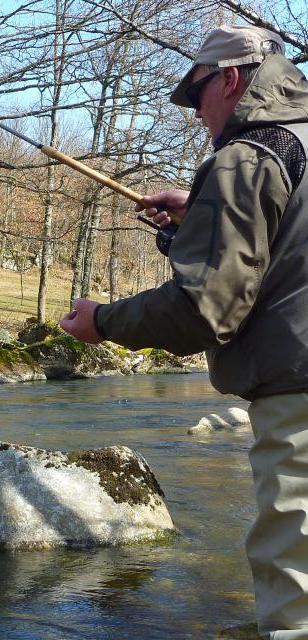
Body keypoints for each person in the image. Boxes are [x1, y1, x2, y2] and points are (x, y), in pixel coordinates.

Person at [60, 24, 308, 640]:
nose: (198, 115)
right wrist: (202, 203)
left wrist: (104, 322)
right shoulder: (286, 148)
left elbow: (203, 308)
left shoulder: (246, 159)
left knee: (295, 594)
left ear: (229, 79)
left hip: (298, 395)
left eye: (197, 96)